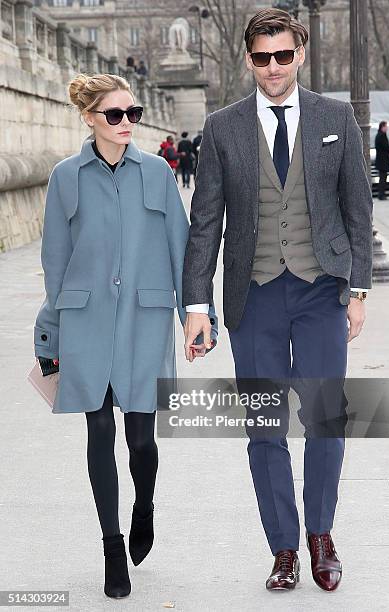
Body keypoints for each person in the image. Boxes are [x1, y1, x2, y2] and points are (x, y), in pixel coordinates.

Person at [182, 8, 372, 593]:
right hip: (254, 295)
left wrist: (357, 290)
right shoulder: (222, 127)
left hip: (321, 291)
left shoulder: (335, 117)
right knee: (265, 427)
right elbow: (205, 221)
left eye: (282, 55)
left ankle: (321, 536)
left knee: (324, 418)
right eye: (262, 56)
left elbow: (358, 210)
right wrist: (195, 306)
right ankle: (284, 547)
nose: (272, 66)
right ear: (248, 59)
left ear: (300, 56)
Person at [33, 73, 218, 599]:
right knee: (99, 435)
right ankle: (113, 548)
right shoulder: (65, 177)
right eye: (114, 115)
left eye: (131, 113)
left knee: (141, 440)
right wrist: (49, 336)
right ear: (90, 118)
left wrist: (196, 316)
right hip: (86, 321)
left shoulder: (157, 172)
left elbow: (182, 250)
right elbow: (55, 262)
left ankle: (145, 505)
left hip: (144, 319)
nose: (126, 124)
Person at [375, 120, 389, 200]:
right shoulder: (381, 136)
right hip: (382, 161)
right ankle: (381, 195)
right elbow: (385, 146)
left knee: (383, 178)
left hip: (382, 160)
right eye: (386, 126)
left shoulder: (381, 135)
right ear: (382, 127)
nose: (387, 128)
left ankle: (382, 194)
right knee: (383, 178)